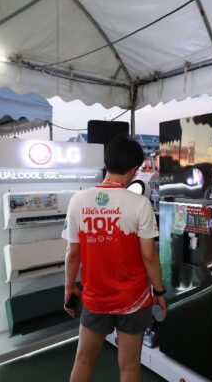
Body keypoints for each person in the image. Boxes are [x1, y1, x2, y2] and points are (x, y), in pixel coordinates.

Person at [62, 136, 167, 382]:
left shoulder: (79, 200)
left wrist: (69, 287)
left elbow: (73, 252)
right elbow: (149, 255)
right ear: (133, 170)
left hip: (95, 297)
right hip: (134, 299)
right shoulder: (140, 204)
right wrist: (159, 292)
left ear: (107, 163)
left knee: (84, 361)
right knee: (129, 367)